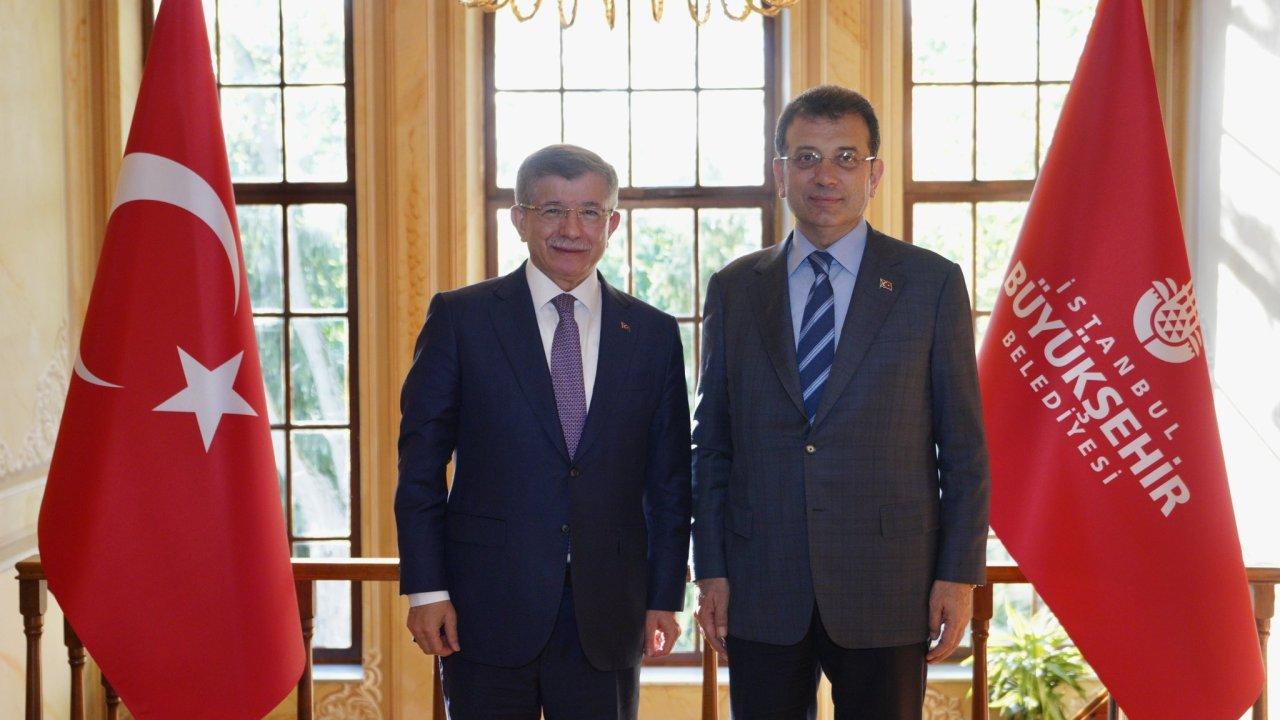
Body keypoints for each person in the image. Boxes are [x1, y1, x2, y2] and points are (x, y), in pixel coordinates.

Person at [691, 85, 990, 720]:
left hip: (891, 583)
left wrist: (958, 574)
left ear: (874, 174)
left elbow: (964, 447)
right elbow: (711, 444)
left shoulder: (931, 284)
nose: (825, 176)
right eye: (806, 157)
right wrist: (710, 569)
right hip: (760, 583)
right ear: (780, 174)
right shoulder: (735, 288)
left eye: (845, 158)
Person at [396, 144, 692, 720]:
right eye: (552, 210)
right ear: (520, 219)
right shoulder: (461, 319)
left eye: (589, 212)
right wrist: (427, 589)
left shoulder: (653, 334)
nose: (571, 230)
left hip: (609, 614)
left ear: (612, 223)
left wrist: (664, 597)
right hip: (483, 610)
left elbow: (670, 482)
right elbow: (421, 467)